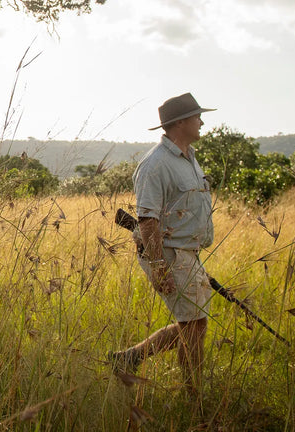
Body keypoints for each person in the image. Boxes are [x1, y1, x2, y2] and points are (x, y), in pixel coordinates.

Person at [109, 92, 216, 395]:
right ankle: (193, 395)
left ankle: (129, 357)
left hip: (187, 253)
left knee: (192, 322)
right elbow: (147, 221)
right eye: (197, 116)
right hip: (168, 254)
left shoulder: (189, 159)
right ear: (180, 122)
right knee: (194, 326)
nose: (202, 121)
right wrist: (159, 266)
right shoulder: (155, 165)